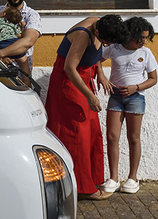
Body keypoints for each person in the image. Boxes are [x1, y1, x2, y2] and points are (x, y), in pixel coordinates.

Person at [44, 14, 129, 200]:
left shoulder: (100, 23)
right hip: (69, 82)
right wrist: (89, 96)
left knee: (92, 130)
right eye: (106, 42)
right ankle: (83, 188)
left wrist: (100, 72)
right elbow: (69, 67)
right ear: (97, 33)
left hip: (84, 78)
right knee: (77, 134)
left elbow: (95, 54)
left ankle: (91, 180)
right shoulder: (83, 35)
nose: (106, 45)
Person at [98, 17, 157, 195]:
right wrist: (102, 76)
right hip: (116, 96)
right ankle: (113, 178)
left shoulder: (146, 53)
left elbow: (153, 79)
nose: (144, 41)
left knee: (134, 138)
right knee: (112, 137)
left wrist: (136, 88)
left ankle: (133, 178)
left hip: (135, 98)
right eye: (140, 37)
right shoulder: (115, 48)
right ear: (130, 34)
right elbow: (96, 60)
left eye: (146, 38)